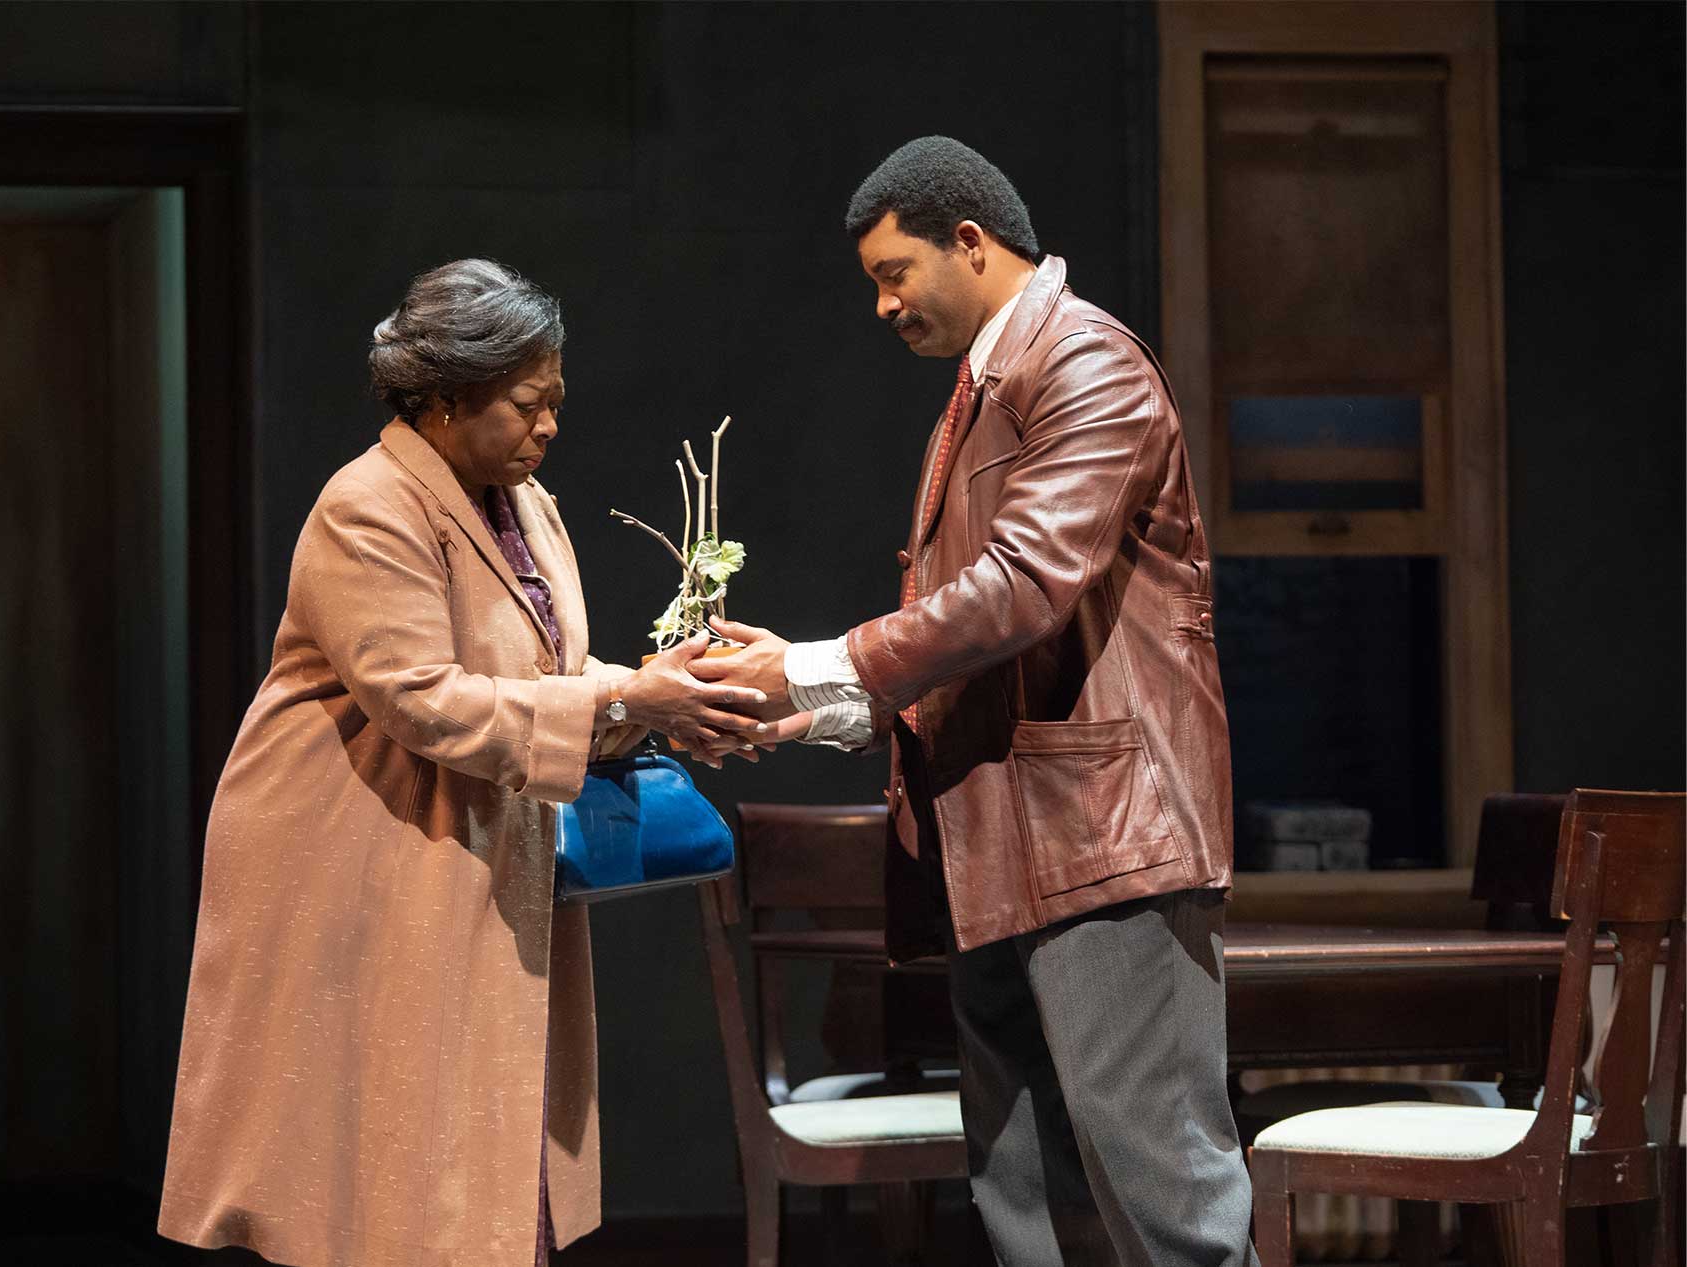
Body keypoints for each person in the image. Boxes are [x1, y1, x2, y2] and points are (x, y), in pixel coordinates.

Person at [697, 138, 1256, 1265]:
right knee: (1030, 1210)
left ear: (972, 240)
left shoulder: (1087, 362)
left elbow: (1024, 589)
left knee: (1165, 1207)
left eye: (894, 273)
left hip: (1103, 844)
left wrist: (816, 662)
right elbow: (976, 637)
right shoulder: (988, 387)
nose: (882, 304)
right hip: (1000, 849)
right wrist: (830, 709)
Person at [157, 259, 767, 1267]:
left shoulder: (523, 503)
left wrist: (664, 695)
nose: (550, 426)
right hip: (368, 859)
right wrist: (622, 699)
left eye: (556, 403)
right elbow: (419, 694)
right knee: (398, 1171)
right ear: (442, 399)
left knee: (483, 1153)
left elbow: (546, 671)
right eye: (529, 404)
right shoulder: (369, 505)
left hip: (478, 852)